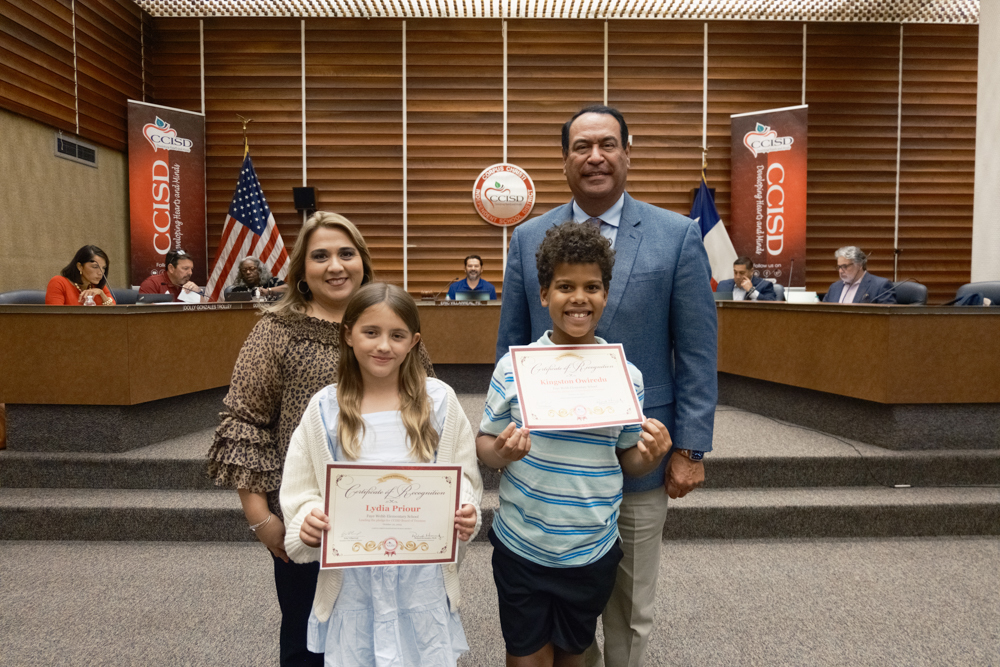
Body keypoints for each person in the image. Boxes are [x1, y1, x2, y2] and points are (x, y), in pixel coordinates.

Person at [495, 105, 717, 667]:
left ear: (627, 153)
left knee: (629, 608)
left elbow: (697, 351)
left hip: (638, 454)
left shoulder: (677, 235)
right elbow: (512, 346)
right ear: (564, 158)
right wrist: (506, 441)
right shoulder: (528, 238)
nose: (595, 157)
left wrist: (690, 449)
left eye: (607, 144)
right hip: (549, 465)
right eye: (581, 146)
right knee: (555, 613)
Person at [207, 212, 436, 666]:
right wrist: (261, 519)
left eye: (346, 253)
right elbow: (243, 424)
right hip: (311, 522)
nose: (335, 266)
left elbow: (429, 413)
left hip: (393, 520)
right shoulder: (275, 331)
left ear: (362, 263)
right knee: (309, 641)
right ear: (302, 270)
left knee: (388, 640)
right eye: (320, 256)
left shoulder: (390, 325)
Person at [480, 222, 672, 667]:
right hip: (522, 545)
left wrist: (649, 456)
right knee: (526, 658)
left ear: (606, 294)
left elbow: (627, 458)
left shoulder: (625, 376)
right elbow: (484, 443)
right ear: (544, 294)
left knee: (574, 656)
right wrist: (500, 453)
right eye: (565, 286)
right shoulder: (514, 368)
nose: (579, 298)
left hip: (591, 550)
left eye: (592, 287)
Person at [281, 282, 483, 666]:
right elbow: (301, 487)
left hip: (421, 578)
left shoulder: (440, 401)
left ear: (414, 342)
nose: (383, 346)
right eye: (371, 332)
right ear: (349, 335)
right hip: (353, 581)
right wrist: (308, 518)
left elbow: (465, 477)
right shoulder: (324, 409)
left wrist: (466, 509)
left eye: (397, 335)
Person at [822, 246, 897, 304]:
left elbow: (888, 317)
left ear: (859, 265)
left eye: (845, 266)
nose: (841, 271)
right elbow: (823, 314)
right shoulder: (834, 288)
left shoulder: (880, 286)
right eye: (839, 267)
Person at [45, 245, 115, 305]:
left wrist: (102, 295)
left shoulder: (99, 287)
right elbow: (54, 315)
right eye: (95, 267)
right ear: (80, 267)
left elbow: (114, 312)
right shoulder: (59, 283)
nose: (101, 273)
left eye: (103, 268)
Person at [138, 249, 202, 300]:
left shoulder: (189, 285)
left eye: (191, 269)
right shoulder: (152, 284)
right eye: (185, 268)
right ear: (171, 268)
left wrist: (199, 293)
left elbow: (203, 309)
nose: (190, 273)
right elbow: (146, 311)